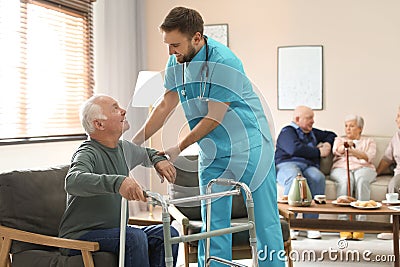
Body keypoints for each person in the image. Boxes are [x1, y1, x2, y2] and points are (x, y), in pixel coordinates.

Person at [132, 6, 285, 267]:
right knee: (213, 222)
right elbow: (165, 106)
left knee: (264, 220)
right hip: (213, 150)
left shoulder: (225, 62)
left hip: (250, 146)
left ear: (197, 38)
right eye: (167, 45)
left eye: (175, 44)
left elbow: (215, 117)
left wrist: (178, 147)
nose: (170, 52)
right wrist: (133, 143)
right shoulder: (176, 60)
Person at [58, 94, 179, 267]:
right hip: (80, 236)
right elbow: (73, 181)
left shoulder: (124, 148)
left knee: (168, 233)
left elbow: (148, 154)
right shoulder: (87, 152)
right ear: (99, 124)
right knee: (133, 237)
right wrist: (118, 182)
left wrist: (158, 160)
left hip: (114, 232)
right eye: (115, 108)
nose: (123, 111)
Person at [275, 105, 336, 239]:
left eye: (313, 118)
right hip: (287, 164)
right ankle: (289, 225)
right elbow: (294, 149)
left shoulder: (312, 132)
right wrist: (318, 152)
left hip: (308, 166)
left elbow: (331, 135)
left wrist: (327, 144)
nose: (313, 121)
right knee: (295, 178)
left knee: (318, 177)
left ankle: (311, 225)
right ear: (297, 119)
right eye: (309, 118)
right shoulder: (287, 131)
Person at [330, 114, 377, 240]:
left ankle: (360, 224)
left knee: (361, 180)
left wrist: (351, 150)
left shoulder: (369, 141)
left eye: (352, 126)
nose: (348, 129)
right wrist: (345, 145)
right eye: (346, 126)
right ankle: (343, 224)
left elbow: (368, 157)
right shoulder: (340, 139)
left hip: (364, 168)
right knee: (345, 180)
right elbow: (337, 150)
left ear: (360, 128)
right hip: (342, 168)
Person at [376, 106, 400, 240]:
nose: (396, 119)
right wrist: (376, 173)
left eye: (398, 116)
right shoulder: (397, 136)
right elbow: (387, 159)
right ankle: (394, 229)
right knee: (394, 185)